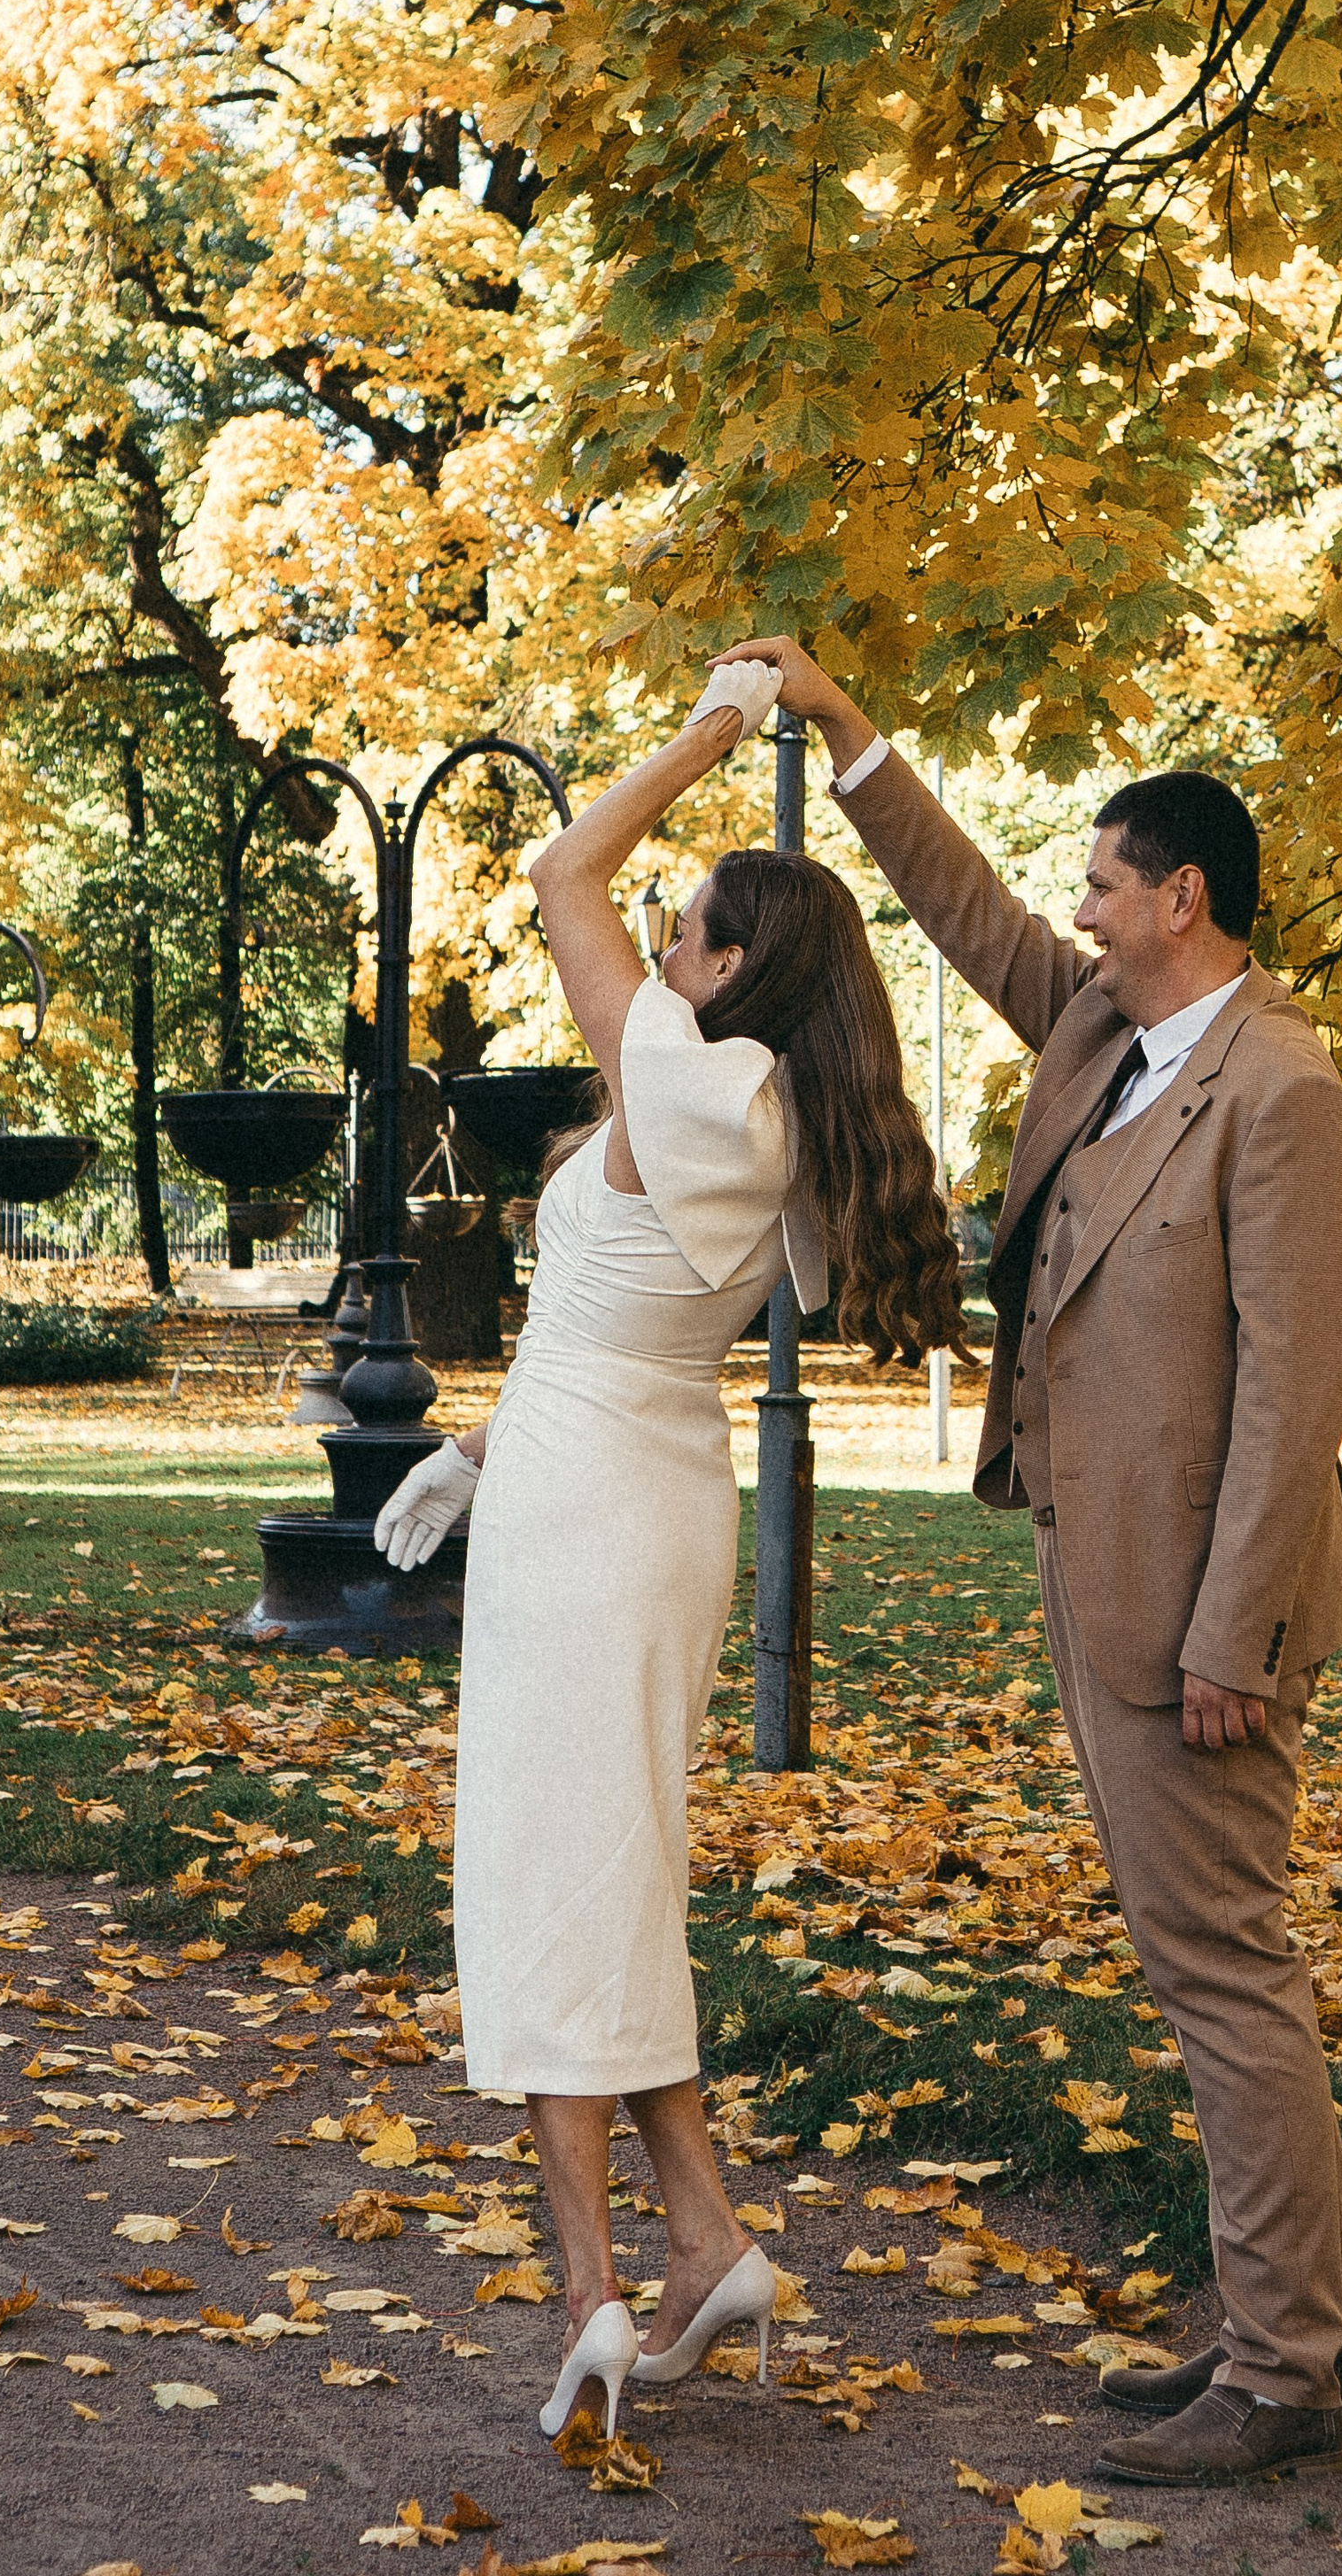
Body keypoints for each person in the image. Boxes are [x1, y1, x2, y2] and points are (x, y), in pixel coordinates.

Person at [718, 638, 1342, 2487]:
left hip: (1201, 1613)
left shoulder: (1282, 1093)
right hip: (1102, 1575)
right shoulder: (1104, 1028)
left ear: (1182, 898)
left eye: (1100, 881)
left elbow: (1290, 1406)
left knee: (1219, 1964)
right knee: (1200, 1963)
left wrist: (1231, 1630)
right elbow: (958, 908)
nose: (1072, 911)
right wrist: (846, 734)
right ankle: (1289, 2333)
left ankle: (1281, 2372)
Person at [370, 666, 963, 2442]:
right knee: (603, 1878)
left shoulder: (689, 1078)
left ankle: (590, 2293)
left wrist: (712, 731)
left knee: (547, 1892)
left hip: (582, 1522)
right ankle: (700, 2244)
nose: (660, 940)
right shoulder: (776, 1113)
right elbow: (617, 1326)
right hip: (633, 1489)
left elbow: (561, 869)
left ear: (727, 967)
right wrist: (480, 1444)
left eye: (688, 929)